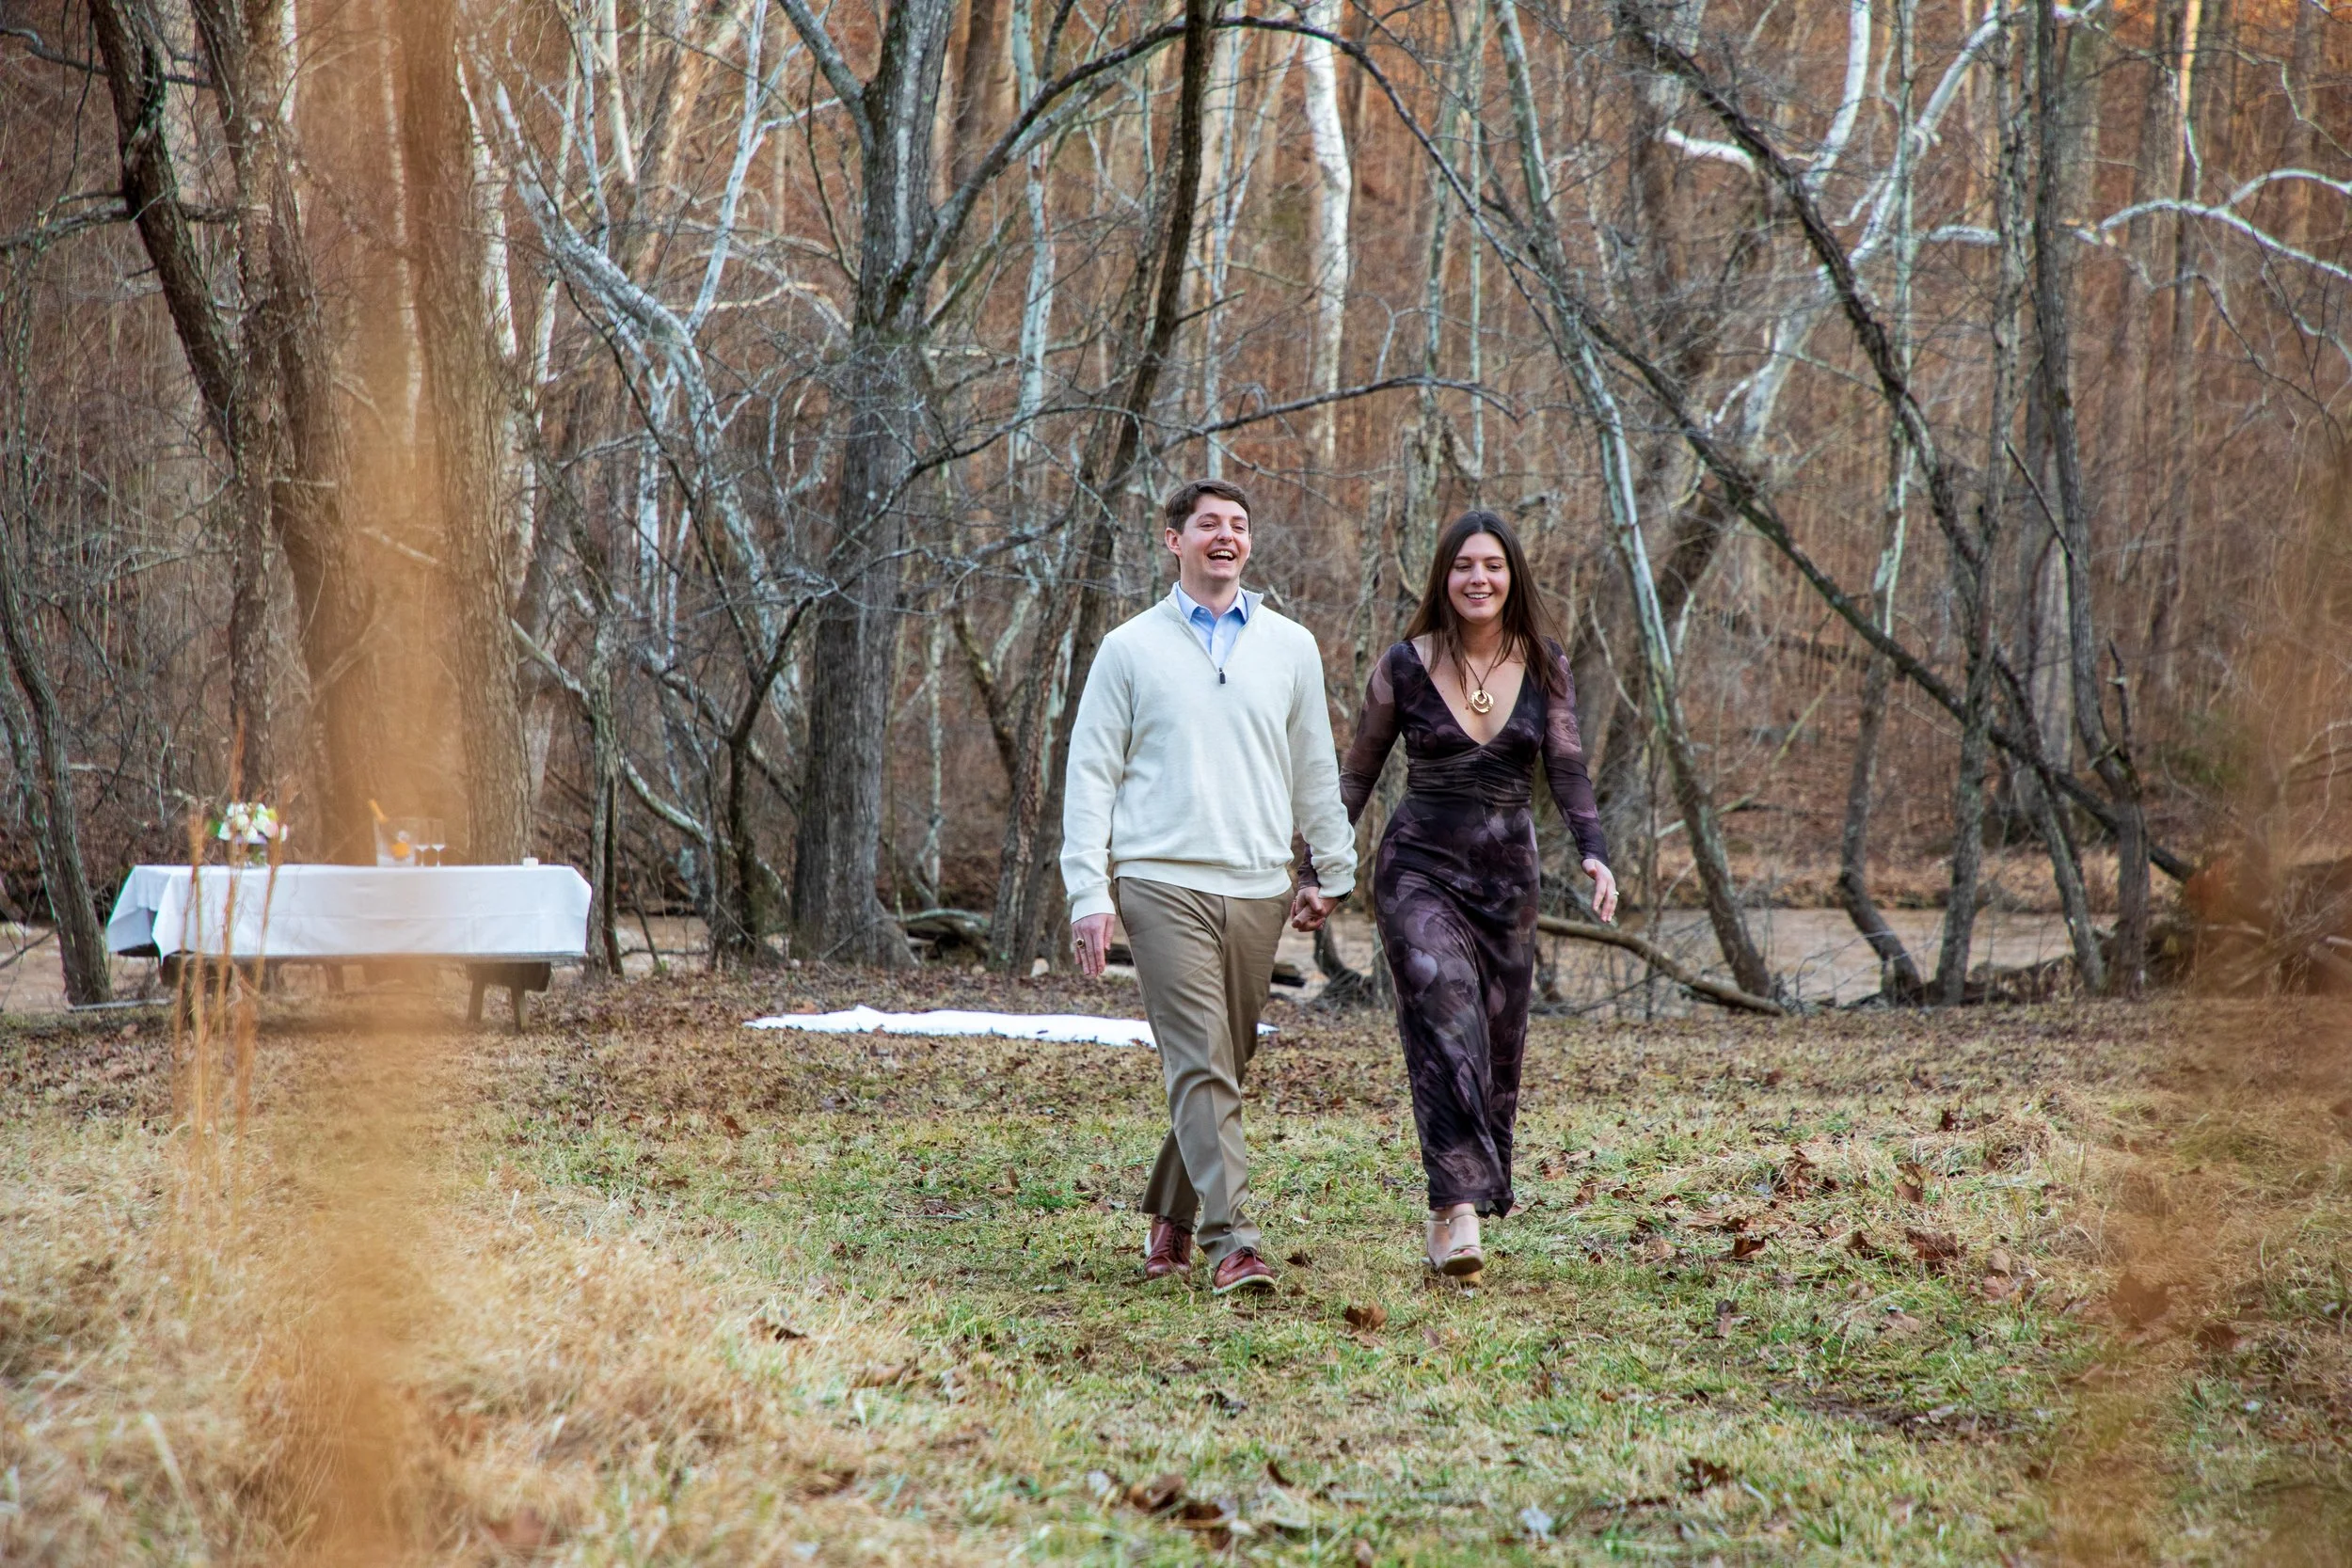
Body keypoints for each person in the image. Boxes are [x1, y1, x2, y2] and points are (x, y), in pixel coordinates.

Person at [1062, 478, 1357, 1295]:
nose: (1225, 536)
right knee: (1199, 1057)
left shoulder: (1291, 646)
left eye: (1237, 525)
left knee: (1222, 1062)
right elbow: (1090, 774)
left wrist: (1332, 867)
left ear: (1249, 544)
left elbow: (1314, 765)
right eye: (1207, 524)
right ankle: (1234, 1243)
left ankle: (1173, 1210)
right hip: (1159, 880)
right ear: (1174, 540)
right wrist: (1089, 889)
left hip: (1259, 884)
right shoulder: (1129, 648)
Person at [1333, 510, 1619, 1279]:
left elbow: (1567, 769)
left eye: (1492, 565)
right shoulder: (1405, 664)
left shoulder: (1545, 664)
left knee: (1492, 1046)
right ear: (1444, 576)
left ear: (1512, 575)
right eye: (1464, 565)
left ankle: (1444, 1206)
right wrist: (1316, 869)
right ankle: (1460, 1209)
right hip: (1417, 870)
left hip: (1507, 884)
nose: (1478, 578)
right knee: (1443, 1008)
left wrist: (1595, 854)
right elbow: (1357, 773)